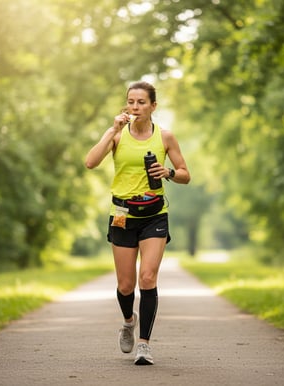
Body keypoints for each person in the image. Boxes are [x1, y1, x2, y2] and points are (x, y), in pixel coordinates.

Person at [85, 81, 190, 365]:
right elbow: (90, 162)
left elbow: (185, 174)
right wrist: (112, 131)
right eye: (131, 101)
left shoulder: (165, 137)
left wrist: (167, 172)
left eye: (141, 102)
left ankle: (144, 344)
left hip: (154, 215)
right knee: (126, 285)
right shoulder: (117, 135)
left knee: (147, 278)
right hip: (122, 215)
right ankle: (129, 321)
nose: (135, 107)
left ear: (153, 106)